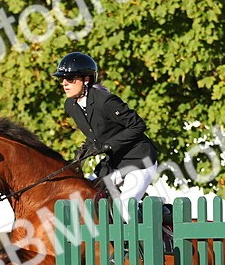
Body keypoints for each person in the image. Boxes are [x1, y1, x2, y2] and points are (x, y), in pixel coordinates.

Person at [53, 52, 158, 212]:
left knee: (124, 208)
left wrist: (108, 145)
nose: (64, 84)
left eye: (70, 79)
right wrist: (84, 150)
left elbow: (138, 126)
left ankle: (155, 218)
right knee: (85, 192)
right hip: (114, 163)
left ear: (86, 79)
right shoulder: (71, 105)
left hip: (139, 160)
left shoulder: (106, 101)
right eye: (62, 79)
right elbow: (95, 133)